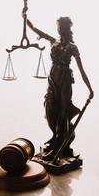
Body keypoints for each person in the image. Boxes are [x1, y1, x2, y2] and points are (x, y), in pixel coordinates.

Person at [24, 15, 94, 159]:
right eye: (59, 26)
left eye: (62, 27)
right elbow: (35, 29)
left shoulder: (73, 47)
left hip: (64, 80)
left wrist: (90, 89)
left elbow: (82, 70)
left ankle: (59, 146)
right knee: (49, 108)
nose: (60, 29)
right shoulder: (53, 41)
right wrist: (25, 17)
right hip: (52, 79)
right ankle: (56, 139)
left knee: (63, 111)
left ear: (67, 29)